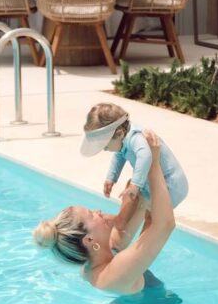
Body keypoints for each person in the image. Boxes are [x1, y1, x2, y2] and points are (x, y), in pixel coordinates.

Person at [33, 131, 176, 294]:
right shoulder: (113, 275)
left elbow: (139, 209)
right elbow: (164, 225)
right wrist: (154, 164)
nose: (98, 211)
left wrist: (135, 185)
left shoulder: (97, 260)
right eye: (92, 214)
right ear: (89, 239)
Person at [80, 103, 188, 252]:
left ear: (118, 133)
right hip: (153, 183)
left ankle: (139, 254)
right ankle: (121, 230)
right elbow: (119, 155)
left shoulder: (137, 137)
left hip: (171, 185)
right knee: (133, 196)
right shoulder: (123, 137)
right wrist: (111, 178)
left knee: (151, 219)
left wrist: (135, 185)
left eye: (104, 145)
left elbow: (146, 156)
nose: (104, 149)